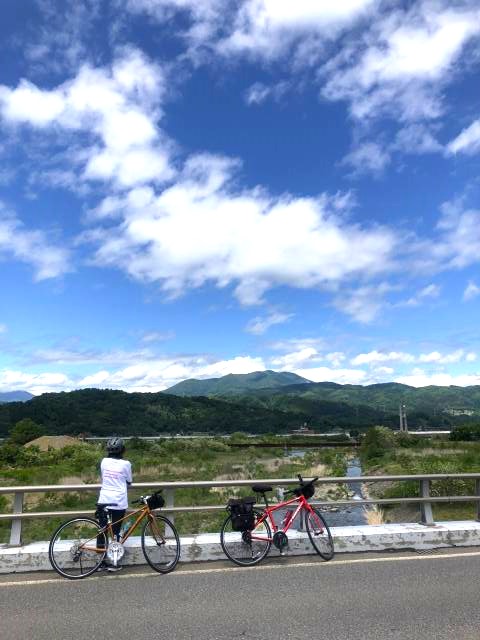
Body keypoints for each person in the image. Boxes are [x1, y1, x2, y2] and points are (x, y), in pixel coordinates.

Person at [96, 437, 132, 572]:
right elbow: (129, 481)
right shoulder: (126, 464)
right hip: (118, 502)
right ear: (122, 450)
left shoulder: (104, 462)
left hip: (104, 500)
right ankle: (114, 562)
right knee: (115, 532)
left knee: (102, 530)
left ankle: (100, 562)